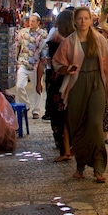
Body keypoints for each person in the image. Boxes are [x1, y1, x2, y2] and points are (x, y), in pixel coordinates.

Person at [51, 7, 108, 182]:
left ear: (91, 20)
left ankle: (99, 166)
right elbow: (57, 63)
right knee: (78, 125)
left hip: (97, 82)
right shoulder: (69, 42)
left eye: (86, 18)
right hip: (77, 84)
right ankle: (80, 165)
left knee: (95, 124)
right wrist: (67, 68)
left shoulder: (99, 40)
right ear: (75, 21)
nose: (83, 21)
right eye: (80, 18)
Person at [39, 11, 68, 152]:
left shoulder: (52, 41)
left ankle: (60, 140)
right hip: (69, 79)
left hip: (55, 80)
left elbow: (43, 61)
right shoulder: (74, 41)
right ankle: (68, 142)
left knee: (56, 112)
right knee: (67, 112)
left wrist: (39, 81)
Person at [14, 13, 47, 119]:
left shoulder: (43, 34)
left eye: (33, 21)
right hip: (23, 62)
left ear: (38, 22)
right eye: (30, 21)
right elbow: (18, 45)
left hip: (36, 65)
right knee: (19, 86)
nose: (31, 23)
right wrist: (16, 58)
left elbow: (44, 50)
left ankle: (36, 110)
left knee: (37, 87)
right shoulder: (23, 32)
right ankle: (26, 105)